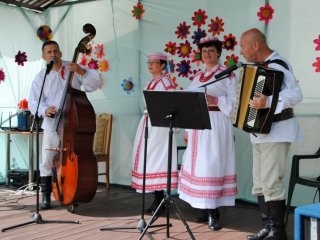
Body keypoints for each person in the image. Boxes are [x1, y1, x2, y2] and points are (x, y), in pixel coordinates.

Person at [239, 28, 303, 240]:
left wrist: (268, 101)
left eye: (243, 46)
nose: (241, 51)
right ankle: (266, 228)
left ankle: (278, 232)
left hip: (278, 131)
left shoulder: (279, 65)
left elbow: (295, 94)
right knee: (260, 183)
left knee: (271, 183)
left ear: (255, 46)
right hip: (259, 133)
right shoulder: (258, 68)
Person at [28, 40, 102, 210]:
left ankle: (74, 190)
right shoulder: (41, 76)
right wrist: (45, 110)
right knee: (47, 159)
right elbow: (34, 102)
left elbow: (95, 84)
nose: (53, 54)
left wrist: (82, 72)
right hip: (52, 123)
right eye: (49, 52)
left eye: (55, 51)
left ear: (60, 53)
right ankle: (46, 196)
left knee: (73, 158)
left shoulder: (73, 68)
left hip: (74, 121)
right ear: (44, 56)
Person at [178, 36, 238, 231]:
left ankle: (214, 212)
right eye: (204, 52)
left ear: (219, 52)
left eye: (211, 51)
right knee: (198, 167)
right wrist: (187, 128)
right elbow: (189, 102)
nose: (207, 54)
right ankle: (202, 208)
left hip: (216, 124)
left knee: (212, 165)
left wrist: (216, 100)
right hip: (198, 125)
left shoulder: (227, 75)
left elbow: (236, 104)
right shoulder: (196, 77)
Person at [131, 52, 178, 215]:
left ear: (163, 65)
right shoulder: (151, 82)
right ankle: (157, 200)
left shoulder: (166, 82)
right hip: (149, 124)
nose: (150, 65)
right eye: (149, 62)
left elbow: (171, 104)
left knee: (157, 160)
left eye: (154, 62)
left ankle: (160, 201)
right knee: (150, 161)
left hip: (159, 127)